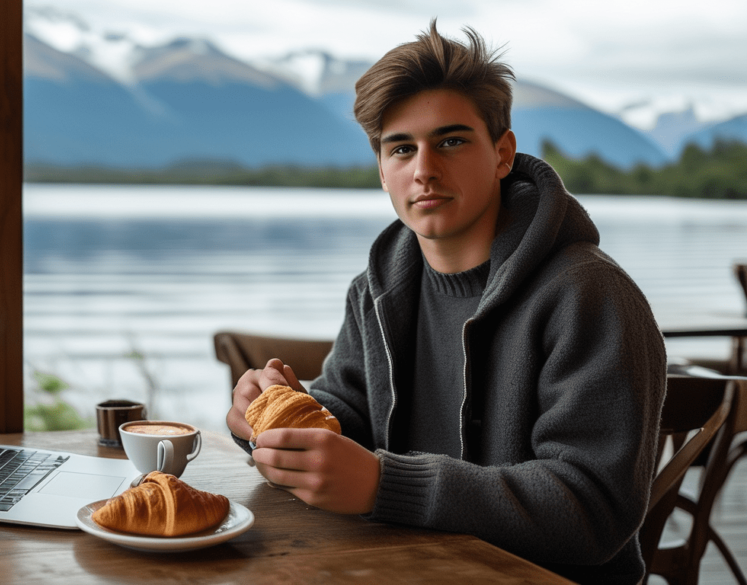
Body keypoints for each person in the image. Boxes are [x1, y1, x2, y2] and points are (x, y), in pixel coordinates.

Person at [226, 20, 666, 585]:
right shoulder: (378, 289)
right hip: (401, 569)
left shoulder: (589, 296)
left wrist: (385, 485)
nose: (425, 170)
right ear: (382, 172)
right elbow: (347, 418)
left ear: (503, 153)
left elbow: (594, 510)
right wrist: (272, 418)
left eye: (451, 141)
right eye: (402, 149)